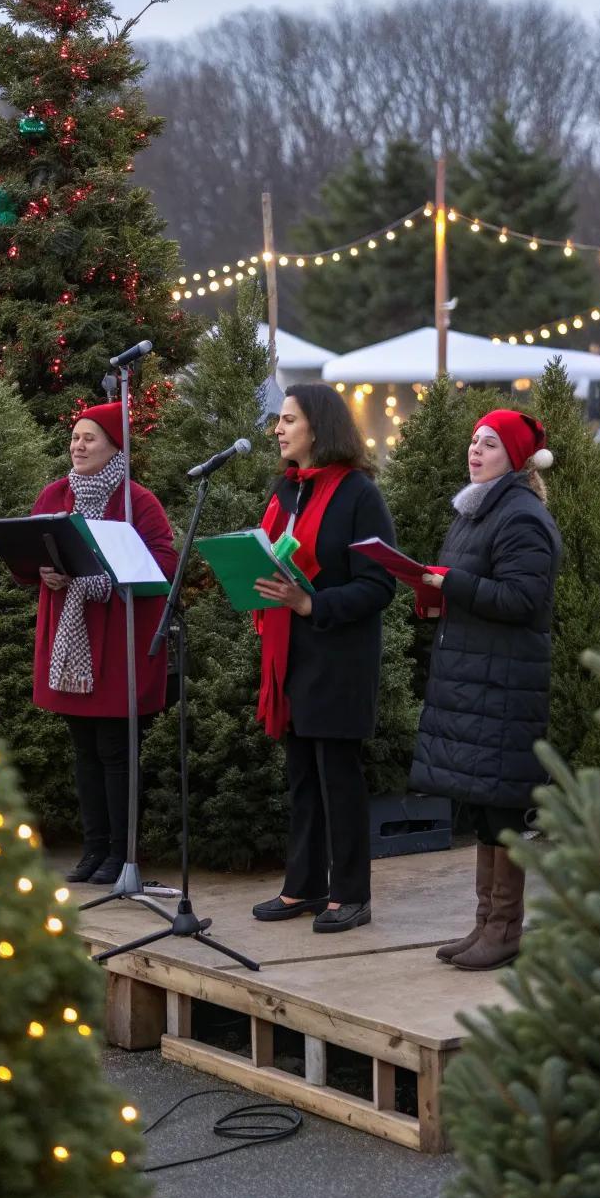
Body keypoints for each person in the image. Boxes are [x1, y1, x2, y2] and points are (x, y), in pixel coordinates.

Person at [410, 409, 561, 971]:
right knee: (481, 808)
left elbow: (522, 601)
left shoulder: (521, 517)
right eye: (473, 441)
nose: (475, 451)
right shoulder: (474, 510)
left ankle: (504, 929)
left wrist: (455, 584)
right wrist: (436, 592)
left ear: (515, 459)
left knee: (502, 808)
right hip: (473, 680)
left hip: (505, 685)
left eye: (490, 444)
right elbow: (472, 587)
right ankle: (482, 925)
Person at [250, 383, 396, 934]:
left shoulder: (359, 495)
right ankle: (303, 887)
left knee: (338, 776)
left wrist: (313, 603)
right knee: (302, 776)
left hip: (338, 656)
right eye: (280, 421)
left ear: (319, 427)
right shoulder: (286, 490)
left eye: (288, 420)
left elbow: (379, 583)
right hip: (291, 654)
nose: (279, 430)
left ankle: (351, 893)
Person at [25, 402, 177, 884]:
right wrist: (42, 571)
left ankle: (120, 853)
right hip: (71, 639)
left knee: (115, 749)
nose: (78, 445)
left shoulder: (137, 501)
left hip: (117, 643)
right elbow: (28, 555)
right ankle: (93, 850)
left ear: (115, 445)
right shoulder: (54, 495)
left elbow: (166, 567)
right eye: (74, 437)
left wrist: (108, 574)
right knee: (84, 749)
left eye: (89, 437)